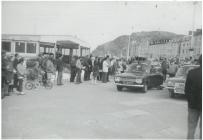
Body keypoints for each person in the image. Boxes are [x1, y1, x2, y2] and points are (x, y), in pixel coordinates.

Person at [185, 55, 202, 139]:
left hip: (193, 105)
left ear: (199, 62)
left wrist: (190, 101)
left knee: (191, 126)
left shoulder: (191, 72)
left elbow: (186, 90)